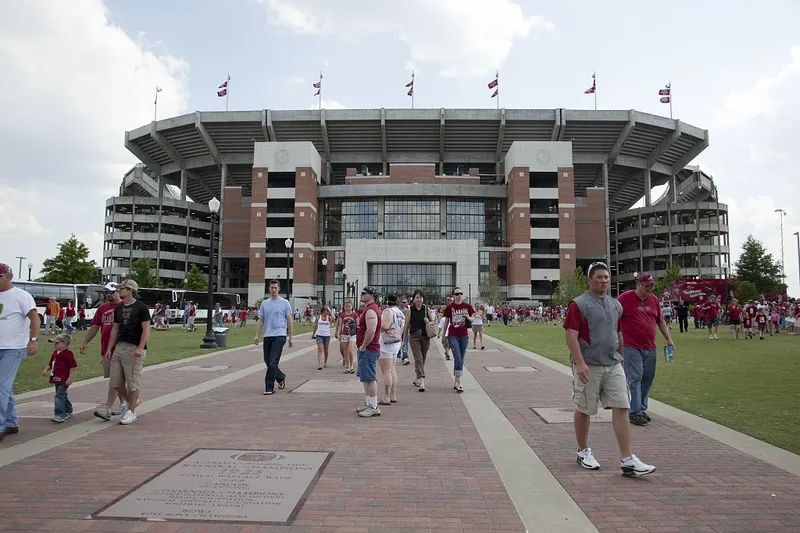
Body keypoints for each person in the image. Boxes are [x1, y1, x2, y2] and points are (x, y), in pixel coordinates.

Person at [564, 262, 656, 476]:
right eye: (599, 277)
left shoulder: (615, 305)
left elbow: (618, 333)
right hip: (589, 363)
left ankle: (627, 458)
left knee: (622, 406)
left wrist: (621, 357)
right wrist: (579, 363)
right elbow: (571, 334)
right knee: (585, 409)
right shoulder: (579, 304)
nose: (604, 280)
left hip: (613, 362)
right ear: (590, 280)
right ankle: (583, 450)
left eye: (606, 277)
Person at [616, 273, 673, 426]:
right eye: (647, 285)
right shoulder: (625, 298)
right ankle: (634, 412)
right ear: (639, 284)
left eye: (651, 286)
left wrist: (668, 338)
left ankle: (640, 407)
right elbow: (613, 316)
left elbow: (660, 321)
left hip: (650, 346)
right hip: (630, 346)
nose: (649, 288)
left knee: (648, 378)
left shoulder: (654, 300)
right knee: (635, 377)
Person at [0, 263, 40, 441]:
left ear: (9, 277)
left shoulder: (20, 296)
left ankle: (1, 425)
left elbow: (34, 317)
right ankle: (10, 422)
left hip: (13, 348)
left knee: (2, 387)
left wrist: (33, 340)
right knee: (4, 388)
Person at [105, 279, 151, 425]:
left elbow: (146, 329)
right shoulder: (118, 308)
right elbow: (115, 329)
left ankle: (131, 411)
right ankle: (132, 401)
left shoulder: (141, 307)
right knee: (116, 381)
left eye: (122, 288)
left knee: (133, 382)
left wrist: (140, 347)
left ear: (130, 290)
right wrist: (109, 348)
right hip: (120, 347)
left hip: (134, 348)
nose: (119, 291)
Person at [81, 283, 127, 421]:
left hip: (120, 349)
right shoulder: (102, 308)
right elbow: (95, 327)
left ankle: (107, 408)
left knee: (115, 380)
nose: (108, 295)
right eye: (106, 292)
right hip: (106, 349)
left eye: (111, 292)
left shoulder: (125, 307)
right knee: (116, 381)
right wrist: (85, 342)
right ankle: (126, 403)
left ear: (118, 292)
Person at [253, 280, 293, 395]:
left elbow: (289, 320)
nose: (273, 290)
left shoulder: (285, 303)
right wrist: (256, 335)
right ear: (269, 289)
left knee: (273, 361)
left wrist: (291, 337)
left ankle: (269, 387)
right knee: (267, 360)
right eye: (271, 288)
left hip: (280, 335)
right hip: (268, 335)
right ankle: (280, 377)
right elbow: (261, 320)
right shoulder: (265, 303)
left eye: (275, 288)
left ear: (279, 289)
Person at [441, 286, 474, 393]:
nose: (459, 296)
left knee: (461, 359)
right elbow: (446, 321)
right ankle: (459, 383)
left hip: (464, 335)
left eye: (460, 293)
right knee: (458, 358)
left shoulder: (467, 306)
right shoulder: (450, 307)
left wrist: (468, 317)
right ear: (453, 296)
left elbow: (473, 318)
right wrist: (443, 336)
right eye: (457, 294)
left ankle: (456, 380)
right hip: (452, 335)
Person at [355, 286, 382, 418]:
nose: (361, 295)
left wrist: (364, 345)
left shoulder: (371, 311)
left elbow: (371, 330)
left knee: (370, 378)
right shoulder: (368, 310)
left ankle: (373, 406)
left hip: (369, 348)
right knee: (365, 378)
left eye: (364, 293)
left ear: (371, 295)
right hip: (365, 348)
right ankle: (369, 403)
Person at [42, 333, 77, 423]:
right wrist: (46, 369)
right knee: (62, 394)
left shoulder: (68, 354)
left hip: (63, 378)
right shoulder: (55, 353)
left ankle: (59, 414)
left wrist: (70, 378)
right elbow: (51, 363)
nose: (55, 345)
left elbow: (72, 367)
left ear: (64, 344)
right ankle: (68, 409)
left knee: (59, 396)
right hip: (56, 377)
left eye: (57, 343)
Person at [404, 290, 435, 392]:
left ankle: (417, 378)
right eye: (417, 297)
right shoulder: (410, 310)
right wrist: (404, 339)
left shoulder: (426, 309)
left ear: (423, 299)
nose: (418, 299)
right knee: (418, 359)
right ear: (413, 299)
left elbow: (433, 321)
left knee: (423, 358)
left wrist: (428, 321)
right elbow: (407, 325)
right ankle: (422, 382)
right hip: (414, 337)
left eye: (420, 297)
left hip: (425, 336)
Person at [378, 294, 405, 405]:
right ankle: (393, 394)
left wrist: (376, 325)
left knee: (386, 371)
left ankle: (386, 396)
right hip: (396, 342)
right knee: (392, 369)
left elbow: (384, 325)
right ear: (397, 302)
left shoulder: (388, 311)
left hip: (386, 343)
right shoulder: (400, 313)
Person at [335, 299, 358, 374]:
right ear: (344, 307)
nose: (348, 307)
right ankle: (348, 366)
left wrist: (357, 332)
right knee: (345, 351)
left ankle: (351, 366)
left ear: (352, 307)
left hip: (352, 334)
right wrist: (338, 334)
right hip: (344, 334)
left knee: (350, 350)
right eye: (346, 306)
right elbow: (339, 325)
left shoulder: (355, 315)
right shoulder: (342, 315)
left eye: (349, 306)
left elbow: (358, 325)